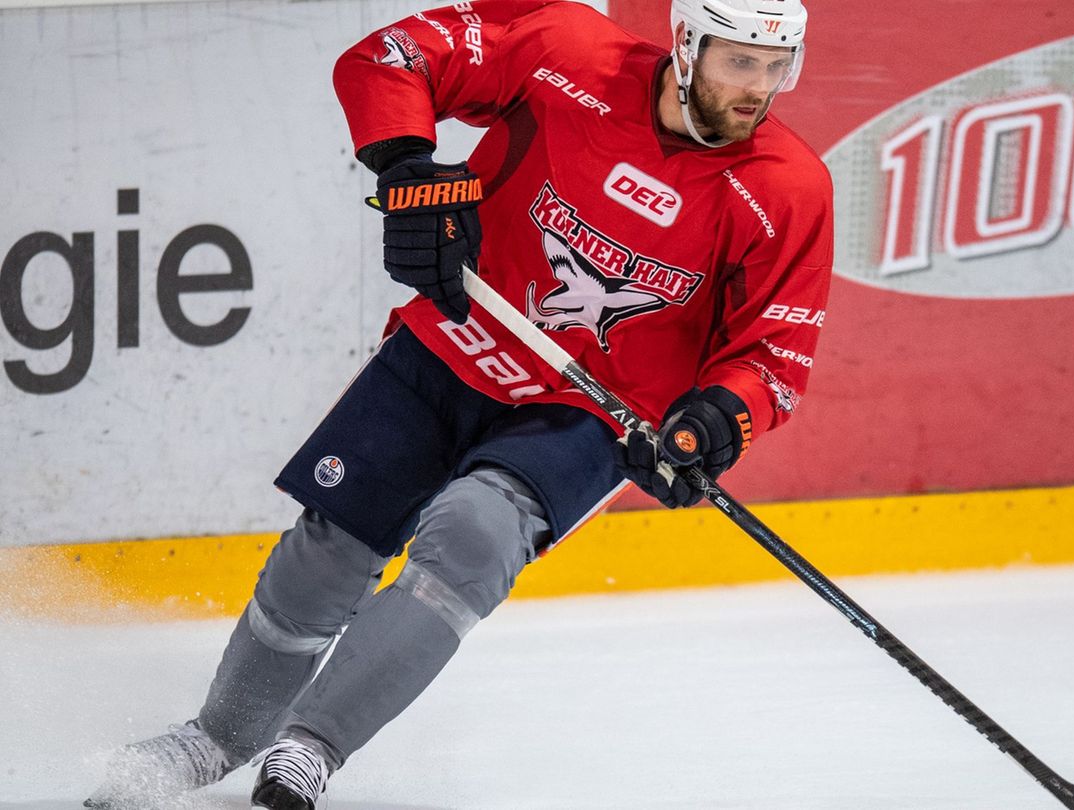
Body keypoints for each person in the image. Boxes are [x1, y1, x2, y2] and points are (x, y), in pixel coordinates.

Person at [85, 0, 832, 807]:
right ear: (686, 46)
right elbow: (393, 55)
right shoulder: (568, 49)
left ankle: (311, 746)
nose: (758, 88)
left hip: (594, 408)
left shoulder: (786, 189)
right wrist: (406, 166)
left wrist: (718, 418)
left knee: (474, 536)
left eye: (775, 65)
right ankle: (220, 736)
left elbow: (772, 357)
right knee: (335, 541)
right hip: (457, 338)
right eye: (740, 62)